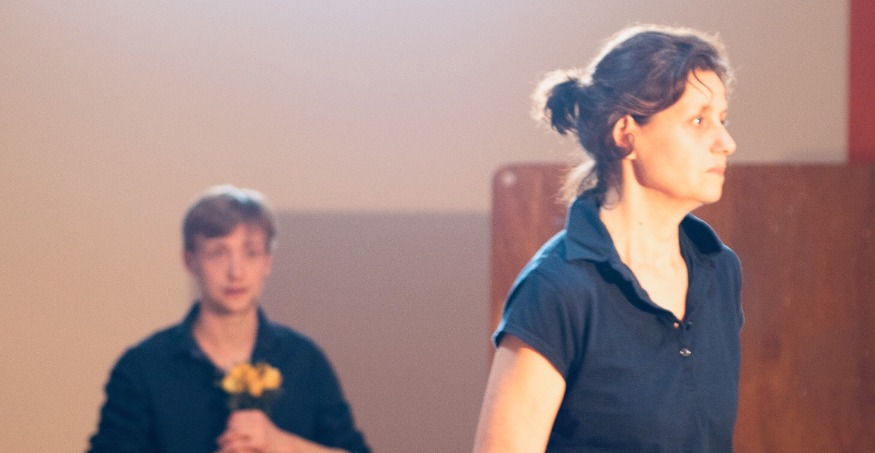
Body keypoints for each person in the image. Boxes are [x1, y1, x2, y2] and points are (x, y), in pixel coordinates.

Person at [473, 24, 742, 452]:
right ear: (625, 134)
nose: (725, 142)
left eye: (722, 121)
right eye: (698, 120)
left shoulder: (719, 270)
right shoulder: (557, 288)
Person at [88, 185, 370, 453]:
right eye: (218, 253)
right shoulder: (143, 368)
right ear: (190, 261)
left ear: (267, 262)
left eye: (251, 253)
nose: (236, 272)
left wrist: (282, 444)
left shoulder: (303, 360)